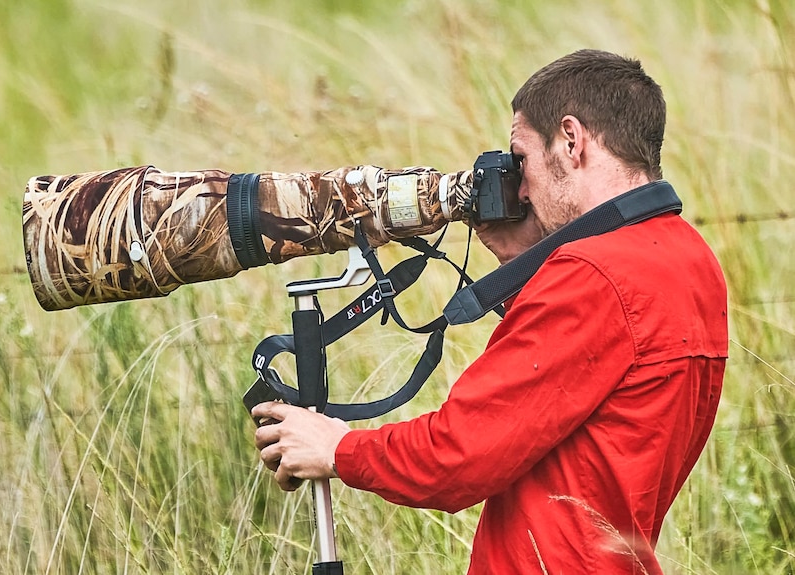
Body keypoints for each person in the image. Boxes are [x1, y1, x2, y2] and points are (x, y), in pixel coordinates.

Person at [252, 49, 728, 574]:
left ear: (571, 140)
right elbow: (583, 402)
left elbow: (457, 457)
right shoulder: (689, 259)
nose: (520, 188)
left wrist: (337, 448)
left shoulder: (593, 276)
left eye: (521, 160)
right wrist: (524, 261)